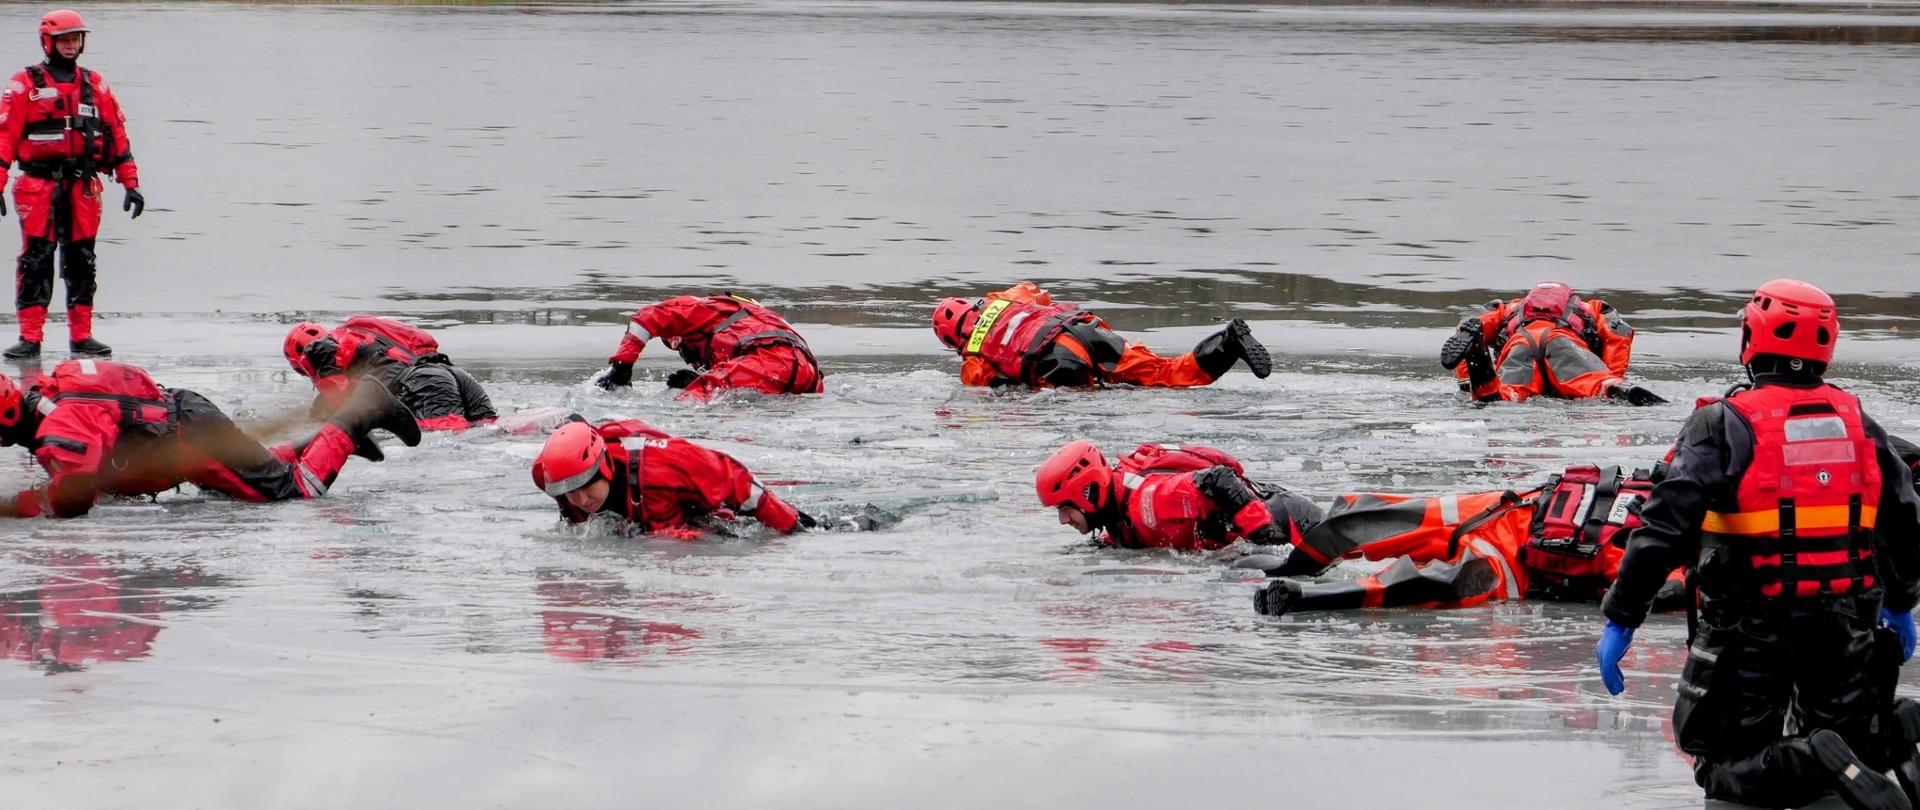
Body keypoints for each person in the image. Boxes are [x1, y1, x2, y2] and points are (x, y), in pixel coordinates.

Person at [1596, 279, 1920, 810]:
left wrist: (1622, 618)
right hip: (1848, 622)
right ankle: (1887, 736)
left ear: (1752, 338)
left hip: (1751, 626)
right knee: (1847, 742)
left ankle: (1809, 758)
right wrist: (1903, 603)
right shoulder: (1858, 423)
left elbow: (1662, 529)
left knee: (1724, 763)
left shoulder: (1721, 425)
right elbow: (1905, 518)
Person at [0, 358, 420, 519]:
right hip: (186, 417)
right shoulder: (53, 389)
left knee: (293, 491)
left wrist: (14, 507)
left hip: (192, 438)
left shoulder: (57, 427)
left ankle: (361, 409)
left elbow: (73, 497)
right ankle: (330, 440)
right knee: (255, 469)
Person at [1250, 464, 1687, 615]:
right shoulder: (1684, 491)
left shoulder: (1693, 560)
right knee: (1357, 520)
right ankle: (1282, 561)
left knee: (1435, 584)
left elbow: (1660, 592)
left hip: (1511, 557)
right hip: (1508, 508)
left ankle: (1302, 596)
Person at [0, 10, 142, 360]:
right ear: (47, 41)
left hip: (83, 186)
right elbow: (5, 137)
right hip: (37, 185)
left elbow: (118, 136)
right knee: (37, 259)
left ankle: (82, 336)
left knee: (82, 260)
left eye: (75, 38)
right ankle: (30, 338)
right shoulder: (24, 84)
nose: (70, 44)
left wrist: (131, 184)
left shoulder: (95, 85)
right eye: (64, 39)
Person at [934, 283, 1270, 389]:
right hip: (1086, 330)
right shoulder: (1004, 298)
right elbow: (1043, 295)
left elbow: (995, 386)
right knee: (1166, 372)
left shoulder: (972, 358)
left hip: (1057, 360)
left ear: (951, 341)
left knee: (1096, 408)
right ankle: (1227, 341)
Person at [531, 415, 813, 536]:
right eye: (570, 491)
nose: (580, 499)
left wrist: (792, 527)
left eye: (586, 486)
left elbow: (738, 482)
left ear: (603, 468)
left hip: (699, 510)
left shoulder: (667, 466)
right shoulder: (550, 474)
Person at [1034, 440, 1321, 552]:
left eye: (1065, 508)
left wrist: (1264, 537)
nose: (1062, 520)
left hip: (1292, 522)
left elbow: (1218, 479)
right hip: (1274, 515)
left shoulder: (1149, 500)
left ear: (1088, 492)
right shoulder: (1118, 509)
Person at [1439, 281, 1661, 405]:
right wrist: (1612, 376)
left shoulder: (1509, 308)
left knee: (1503, 395)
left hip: (1520, 343)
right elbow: (1618, 334)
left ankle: (1482, 373)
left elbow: (1469, 326)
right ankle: (1616, 389)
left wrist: (1466, 383)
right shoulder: (1591, 307)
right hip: (1564, 343)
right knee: (1594, 384)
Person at [283, 315, 496, 431]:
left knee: (448, 437)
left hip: (423, 384)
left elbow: (340, 403)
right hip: (451, 373)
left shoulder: (318, 350)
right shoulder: (358, 333)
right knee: (490, 429)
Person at [592, 294, 821, 400]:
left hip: (768, 360)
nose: (677, 347)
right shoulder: (742, 316)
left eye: (675, 341)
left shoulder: (697, 309)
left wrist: (621, 369)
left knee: (690, 403)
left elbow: (646, 318)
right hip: (809, 374)